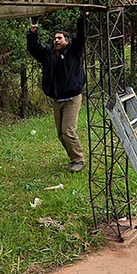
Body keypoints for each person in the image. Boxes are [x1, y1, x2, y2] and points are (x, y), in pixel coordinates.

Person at [27, 14, 86, 172]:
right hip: (57, 99)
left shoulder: (73, 53)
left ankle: (79, 160)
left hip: (72, 98)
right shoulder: (48, 54)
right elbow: (33, 48)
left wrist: (82, 18)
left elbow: (80, 38)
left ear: (66, 40)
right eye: (55, 38)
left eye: (59, 38)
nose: (56, 40)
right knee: (60, 133)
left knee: (68, 131)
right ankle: (73, 159)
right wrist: (33, 29)